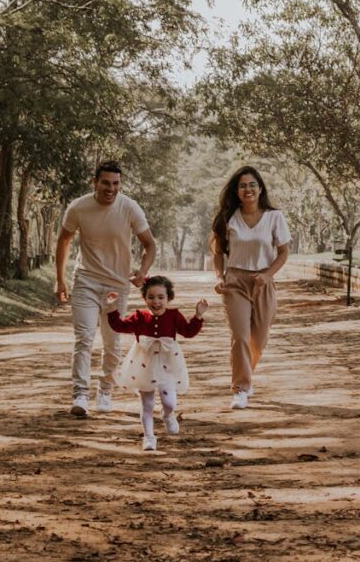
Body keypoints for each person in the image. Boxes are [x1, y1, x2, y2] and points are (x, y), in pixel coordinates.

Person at [55, 160, 156, 418]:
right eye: (105, 183)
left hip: (117, 285)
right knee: (84, 337)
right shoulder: (79, 207)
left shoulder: (130, 207)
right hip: (85, 281)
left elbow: (150, 244)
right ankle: (80, 395)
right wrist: (60, 279)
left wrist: (142, 272)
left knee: (112, 343)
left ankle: (105, 391)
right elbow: (64, 240)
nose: (111, 189)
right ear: (95, 183)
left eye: (116, 184)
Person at [210, 166, 291, 410]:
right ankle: (241, 388)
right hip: (235, 282)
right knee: (240, 337)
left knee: (259, 339)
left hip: (263, 281)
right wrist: (219, 277)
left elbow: (283, 252)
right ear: (236, 191)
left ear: (260, 188)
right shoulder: (228, 218)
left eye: (252, 185)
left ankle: (247, 376)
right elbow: (217, 252)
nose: (248, 189)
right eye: (243, 186)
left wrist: (267, 275)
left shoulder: (274, 217)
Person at [105, 276, 207, 451]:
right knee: (148, 404)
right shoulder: (139, 316)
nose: (156, 301)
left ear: (168, 298)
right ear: (145, 298)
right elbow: (120, 326)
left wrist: (198, 315)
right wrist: (112, 307)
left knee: (169, 402)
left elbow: (188, 332)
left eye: (161, 297)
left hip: (168, 364)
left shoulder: (174, 315)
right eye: (151, 297)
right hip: (144, 365)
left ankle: (167, 415)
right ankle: (149, 437)